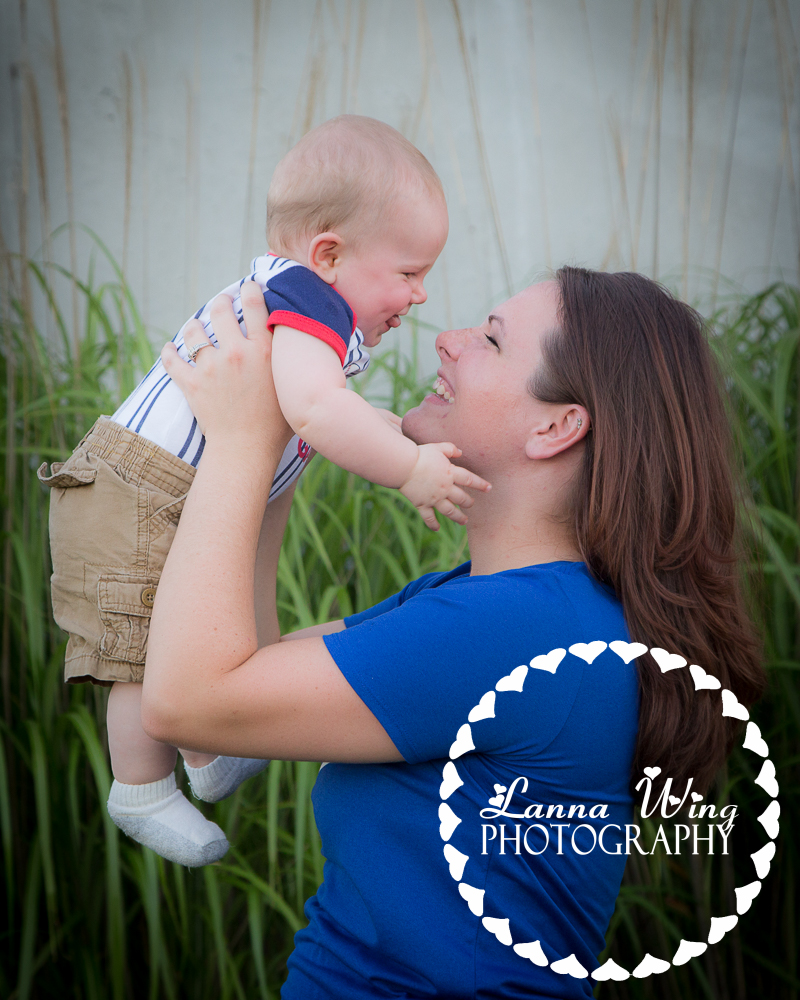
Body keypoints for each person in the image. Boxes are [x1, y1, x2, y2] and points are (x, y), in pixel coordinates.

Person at [142, 267, 765, 999]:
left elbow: (192, 701)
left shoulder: (520, 630)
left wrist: (240, 442)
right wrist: (279, 450)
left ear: (555, 427)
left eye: (492, 341)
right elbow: (249, 666)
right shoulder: (506, 606)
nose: (447, 340)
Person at [37, 115, 488, 867]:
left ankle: (209, 753)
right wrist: (408, 469)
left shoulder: (305, 304)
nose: (419, 295)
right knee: (142, 641)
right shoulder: (308, 299)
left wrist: (395, 433)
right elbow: (316, 410)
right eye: (409, 273)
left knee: (185, 620)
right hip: (135, 487)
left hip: (161, 486)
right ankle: (140, 788)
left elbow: (324, 409)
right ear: (329, 254)